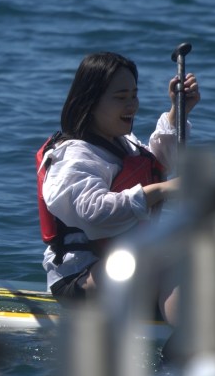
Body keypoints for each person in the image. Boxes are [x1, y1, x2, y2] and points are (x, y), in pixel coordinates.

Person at [36, 52, 199, 324]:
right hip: (80, 276)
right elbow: (94, 212)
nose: (131, 105)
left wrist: (178, 110)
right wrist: (162, 190)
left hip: (124, 265)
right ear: (90, 102)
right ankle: (188, 340)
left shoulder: (122, 143)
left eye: (134, 95)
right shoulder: (73, 156)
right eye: (121, 97)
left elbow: (156, 165)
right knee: (174, 268)